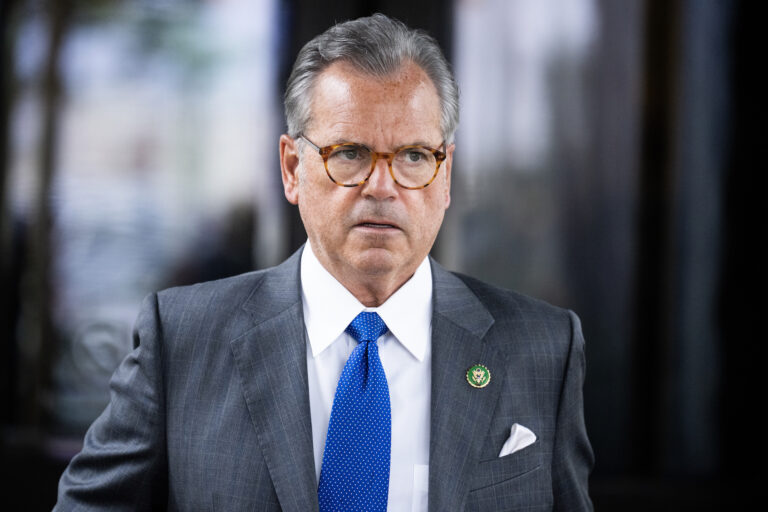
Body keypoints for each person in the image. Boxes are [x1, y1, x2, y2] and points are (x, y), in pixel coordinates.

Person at [55, 13, 593, 511]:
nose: (382, 187)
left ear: (445, 174)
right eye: (350, 153)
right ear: (292, 168)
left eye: (413, 157)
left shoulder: (542, 349)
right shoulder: (182, 341)